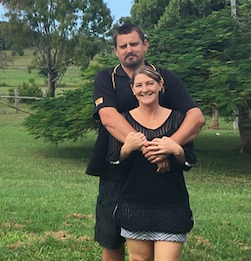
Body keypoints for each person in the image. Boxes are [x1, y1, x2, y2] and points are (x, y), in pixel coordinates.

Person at [86, 23, 204, 261]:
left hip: (159, 176)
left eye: (134, 44)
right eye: (123, 46)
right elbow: (108, 117)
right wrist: (149, 150)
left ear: (145, 45)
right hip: (116, 170)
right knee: (111, 240)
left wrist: (167, 148)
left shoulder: (164, 77)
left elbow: (195, 116)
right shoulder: (106, 78)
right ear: (116, 51)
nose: (129, 49)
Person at [109, 65, 195, 261]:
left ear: (160, 85)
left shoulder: (178, 119)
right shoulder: (124, 120)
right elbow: (113, 161)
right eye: (139, 85)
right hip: (135, 205)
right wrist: (127, 148)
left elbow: (189, 161)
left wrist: (174, 149)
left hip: (171, 205)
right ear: (132, 89)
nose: (144, 89)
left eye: (149, 83)